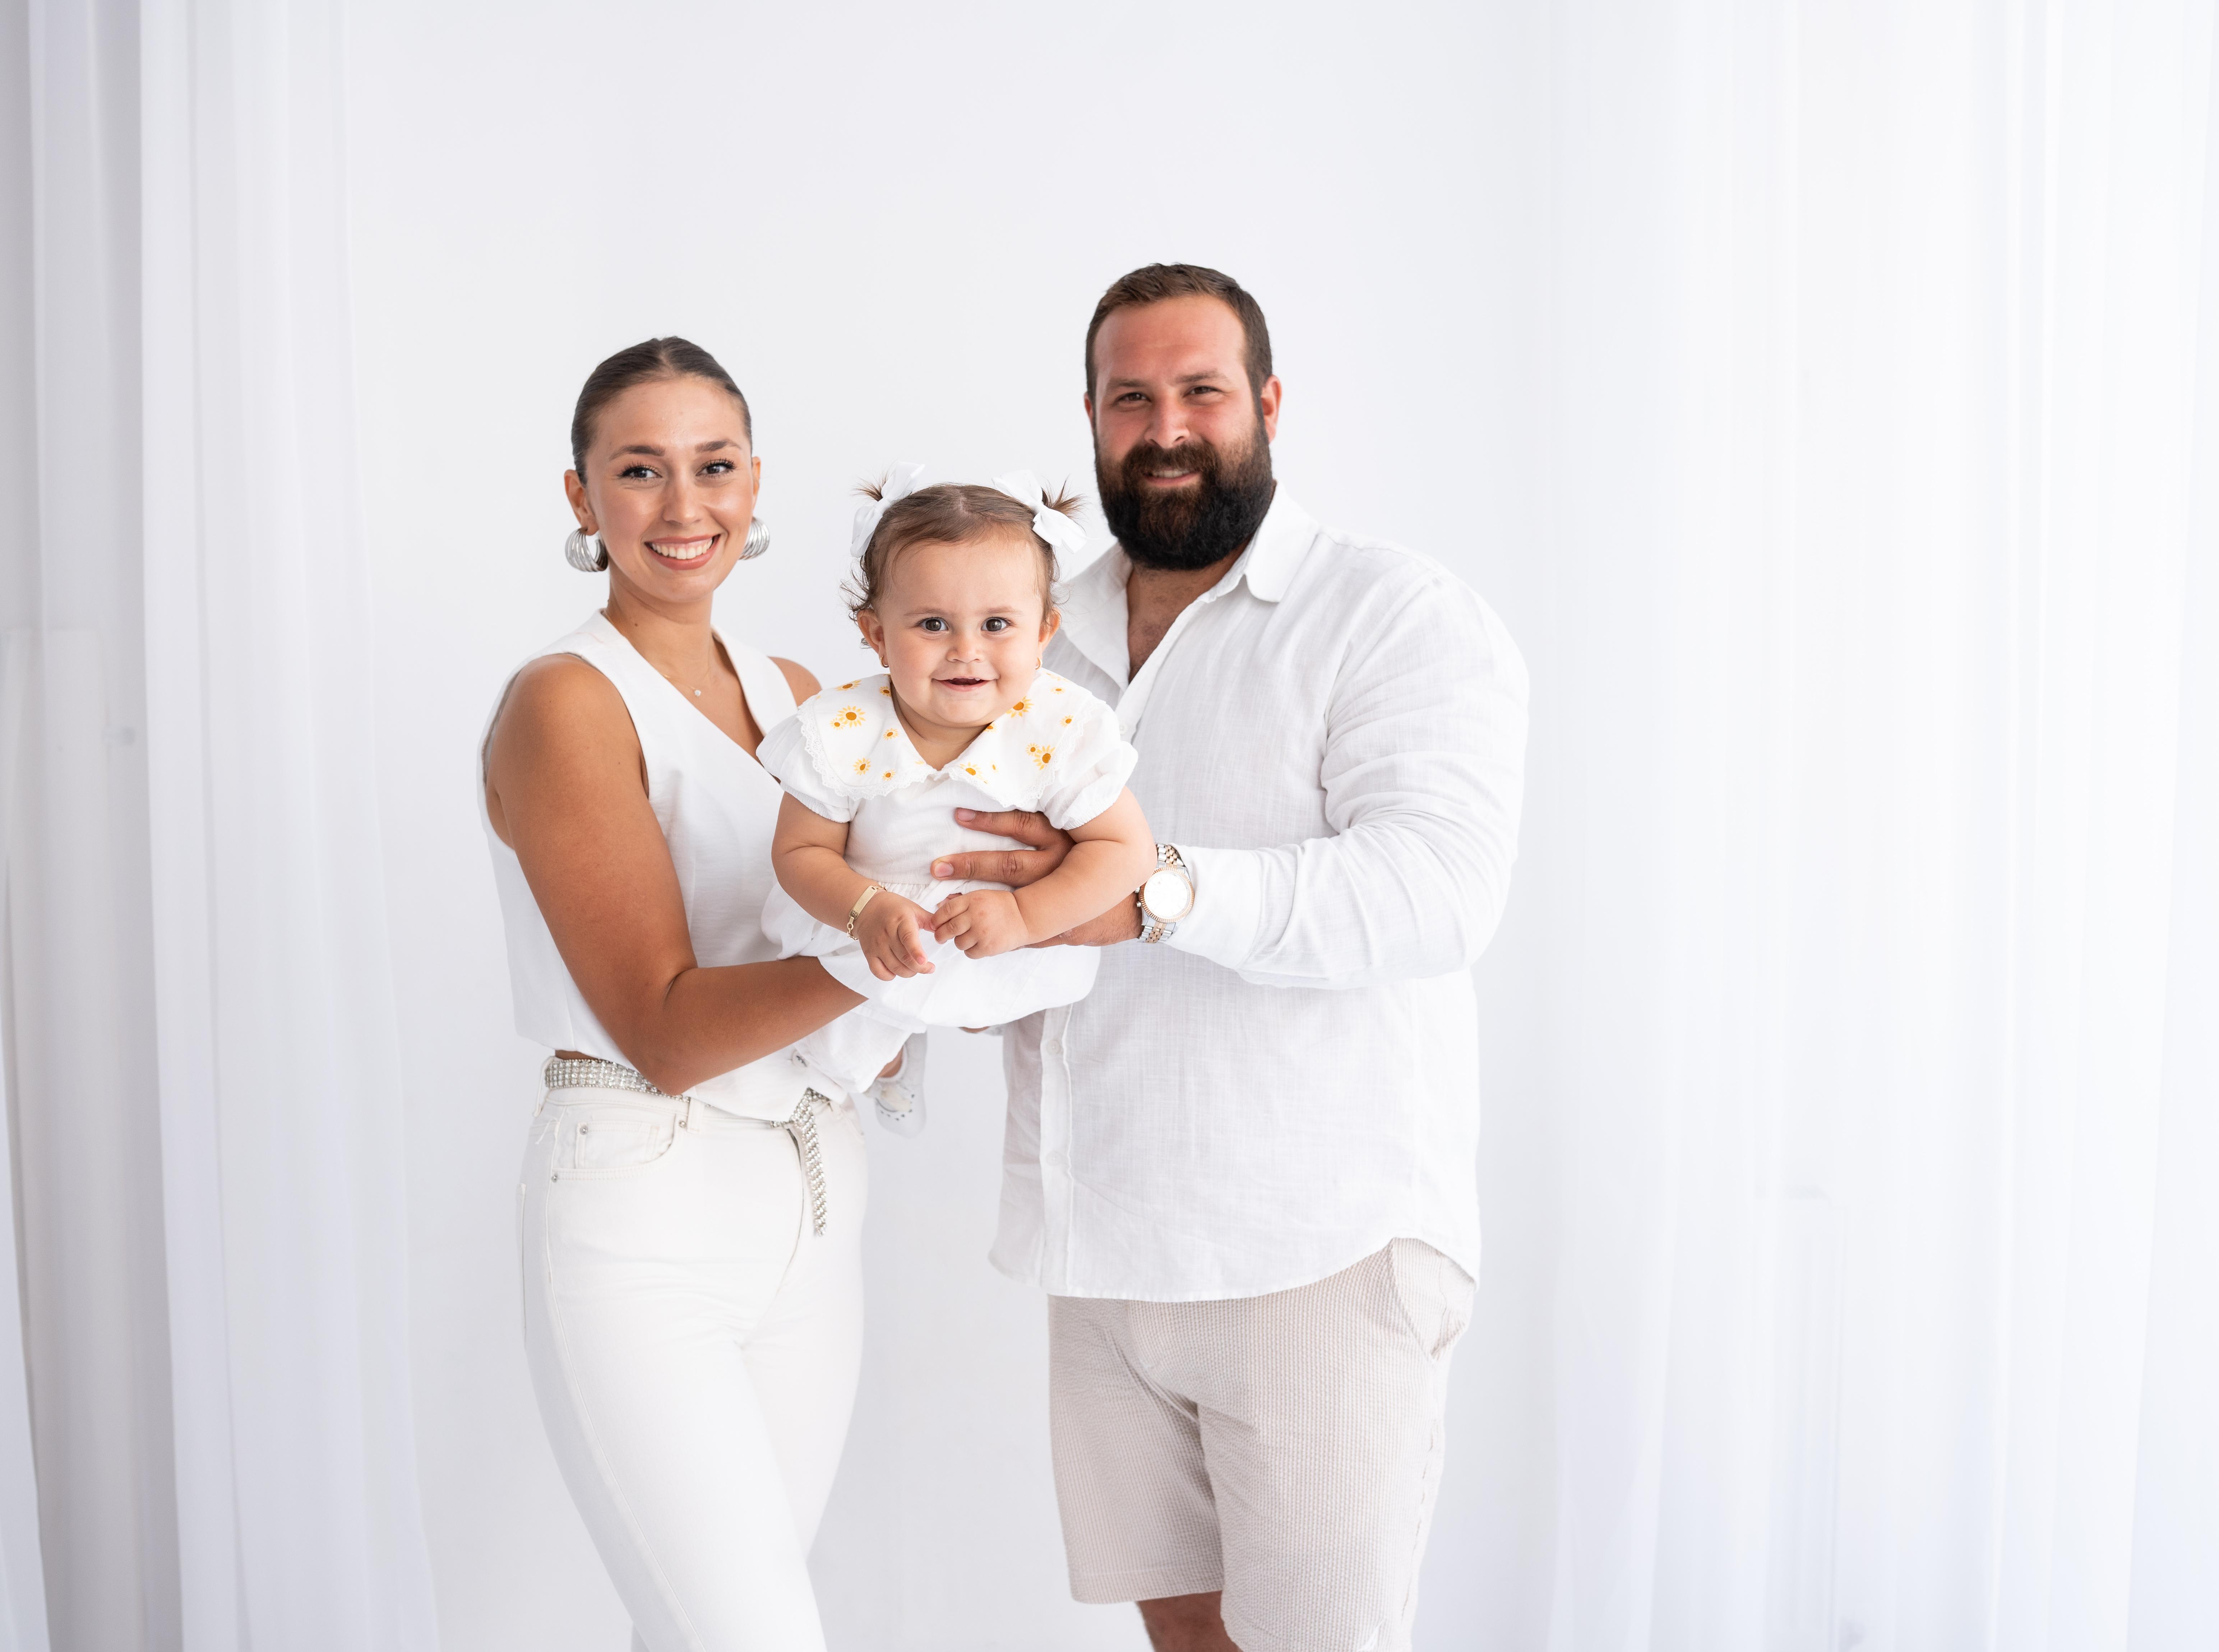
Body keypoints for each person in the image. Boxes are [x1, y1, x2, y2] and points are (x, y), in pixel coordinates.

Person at [932, 265, 1529, 1652]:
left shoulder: (1387, 613)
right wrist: (962, 957)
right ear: (1089, 415)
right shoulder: (1031, 634)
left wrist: (1150, 892)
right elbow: (1001, 885)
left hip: (1316, 1245)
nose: (1165, 429)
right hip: (1103, 1250)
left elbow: (1436, 892)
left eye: (1199, 392)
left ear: (1265, 402)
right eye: (1128, 398)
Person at [480, 337, 865, 1652]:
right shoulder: (566, 703)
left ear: (755, 483)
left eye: (714, 466)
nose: (684, 505)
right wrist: (890, 950)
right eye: (640, 471)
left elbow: (878, 944)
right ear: (581, 497)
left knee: (716, 1627)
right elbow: (665, 1028)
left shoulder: (799, 694)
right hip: (644, 1195)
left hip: (814, 1184)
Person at [759, 468, 1156, 1133]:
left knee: (1002, 1018)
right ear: (876, 634)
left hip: (1002, 936)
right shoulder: (842, 728)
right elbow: (800, 851)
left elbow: (1125, 849)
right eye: (933, 624)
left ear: (1044, 632)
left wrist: (1025, 917)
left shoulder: (1058, 727)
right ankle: (886, 1068)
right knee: (830, 1050)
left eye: (997, 624)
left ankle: (919, 1036)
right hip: (870, 922)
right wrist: (861, 907)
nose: (966, 651)